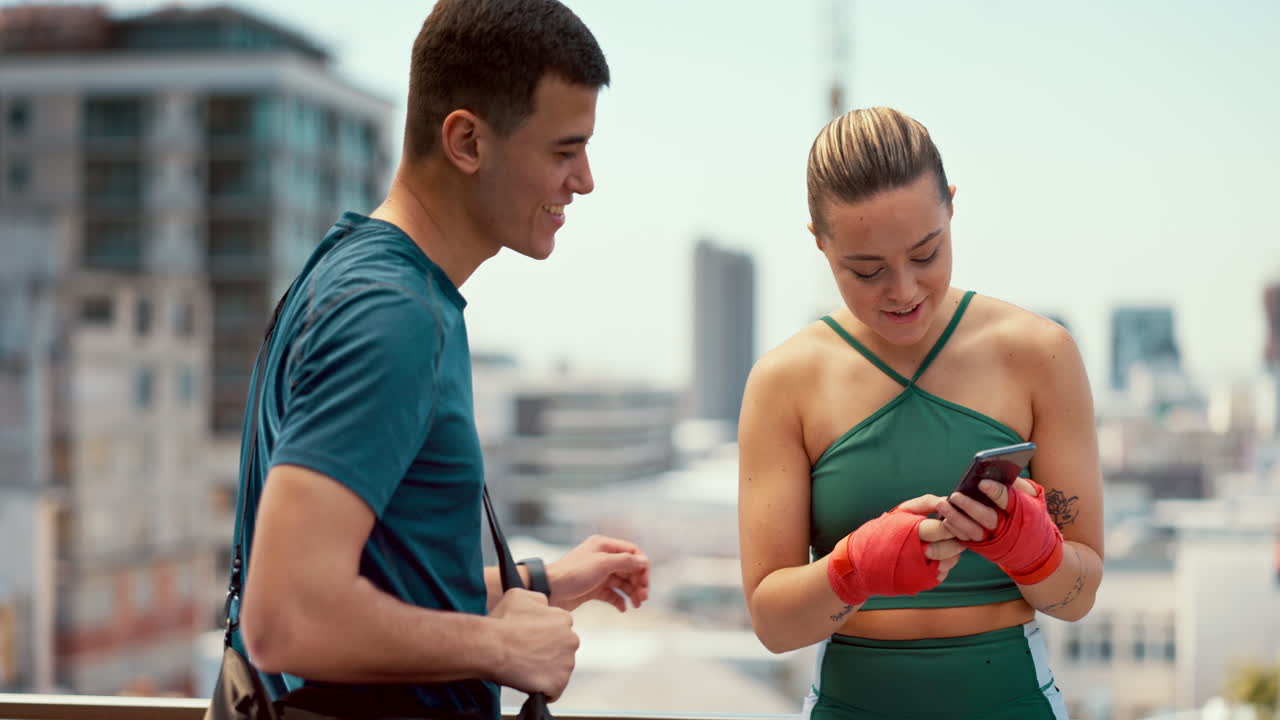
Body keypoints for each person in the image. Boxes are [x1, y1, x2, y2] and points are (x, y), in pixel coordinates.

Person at [228, 1, 651, 717]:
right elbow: (286, 619)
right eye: (562, 150)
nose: (583, 180)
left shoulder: (355, 273)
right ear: (465, 140)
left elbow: (382, 585)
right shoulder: (394, 316)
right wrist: (504, 648)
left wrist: (537, 583)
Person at [737, 106, 1103, 720]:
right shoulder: (784, 382)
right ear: (820, 243)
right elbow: (772, 624)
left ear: (951, 208)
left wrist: (1031, 549)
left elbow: (1078, 597)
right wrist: (857, 568)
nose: (903, 290)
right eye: (866, 269)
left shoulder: (1041, 353)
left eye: (926, 254)